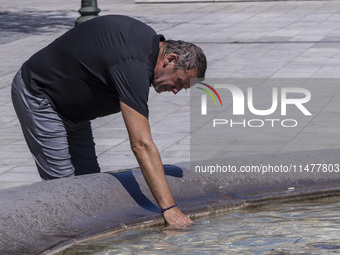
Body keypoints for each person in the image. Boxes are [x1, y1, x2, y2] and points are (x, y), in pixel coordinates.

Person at [11, 15, 207, 226]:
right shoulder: (133, 64)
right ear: (170, 59)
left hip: (73, 110)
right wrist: (170, 209)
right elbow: (140, 144)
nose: (176, 91)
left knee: (90, 183)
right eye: (179, 82)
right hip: (41, 96)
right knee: (64, 188)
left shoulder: (146, 48)